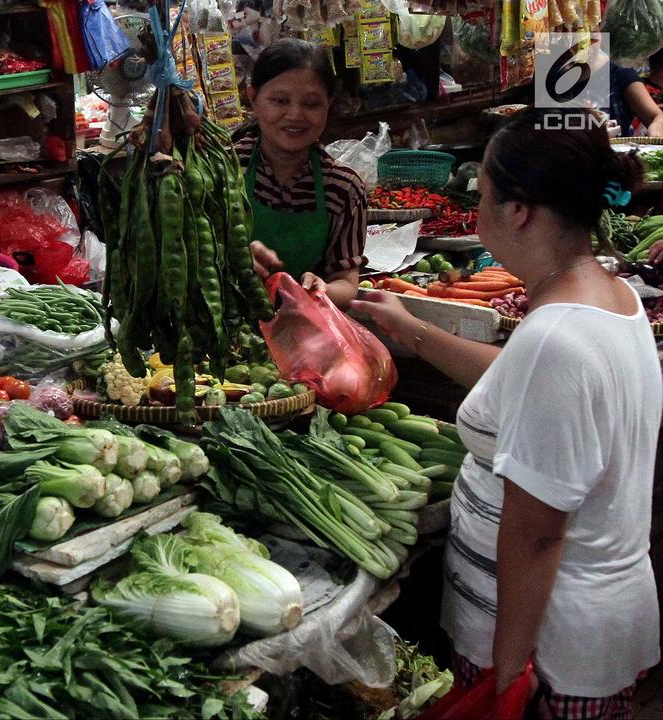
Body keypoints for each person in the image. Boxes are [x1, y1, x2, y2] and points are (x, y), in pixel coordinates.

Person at [352, 107, 660, 720]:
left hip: (551, 653)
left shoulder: (556, 337)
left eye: (485, 195)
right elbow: (521, 384)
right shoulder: (607, 294)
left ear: (517, 211)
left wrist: (508, 672)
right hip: (579, 627)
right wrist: (411, 329)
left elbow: (538, 533)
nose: (479, 209)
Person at [235, 38, 367, 308]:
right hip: (222, 331)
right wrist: (230, 259)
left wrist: (323, 290)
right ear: (253, 98)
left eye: (311, 104)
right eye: (280, 101)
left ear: (328, 104)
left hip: (304, 334)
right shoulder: (224, 168)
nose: (295, 115)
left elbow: (346, 282)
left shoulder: (342, 187)